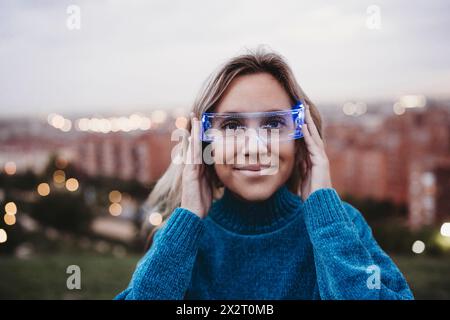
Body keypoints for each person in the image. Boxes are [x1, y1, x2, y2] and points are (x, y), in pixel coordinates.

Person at [115, 48, 413, 300]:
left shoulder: (341, 226)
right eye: (232, 126)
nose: (254, 147)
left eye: (273, 124)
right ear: (203, 144)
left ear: (302, 139)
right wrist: (188, 218)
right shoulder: (182, 239)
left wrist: (325, 212)